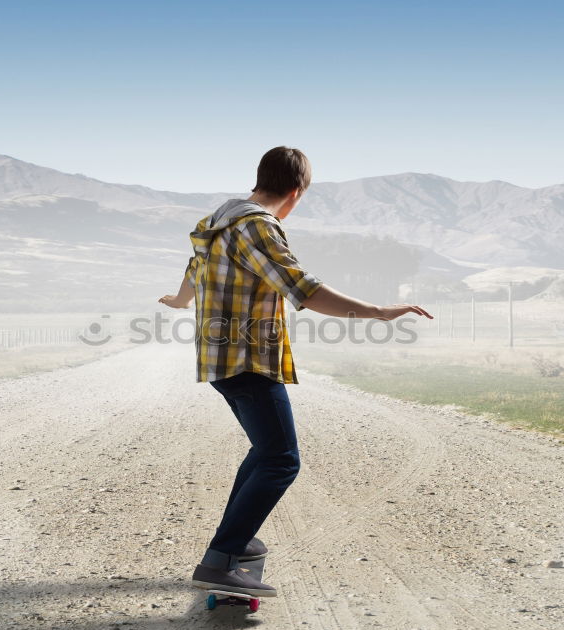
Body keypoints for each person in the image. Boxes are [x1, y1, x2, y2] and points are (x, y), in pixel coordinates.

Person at [158, 146, 432, 597]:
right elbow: (302, 288)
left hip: (219, 358)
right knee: (282, 459)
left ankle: (237, 544)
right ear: (295, 192)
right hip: (247, 358)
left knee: (264, 449)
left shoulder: (215, 223)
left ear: (259, 180)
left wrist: (179, 300)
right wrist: (380, 312)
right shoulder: (258, 225)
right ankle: (221, 559)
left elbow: (193, 270)